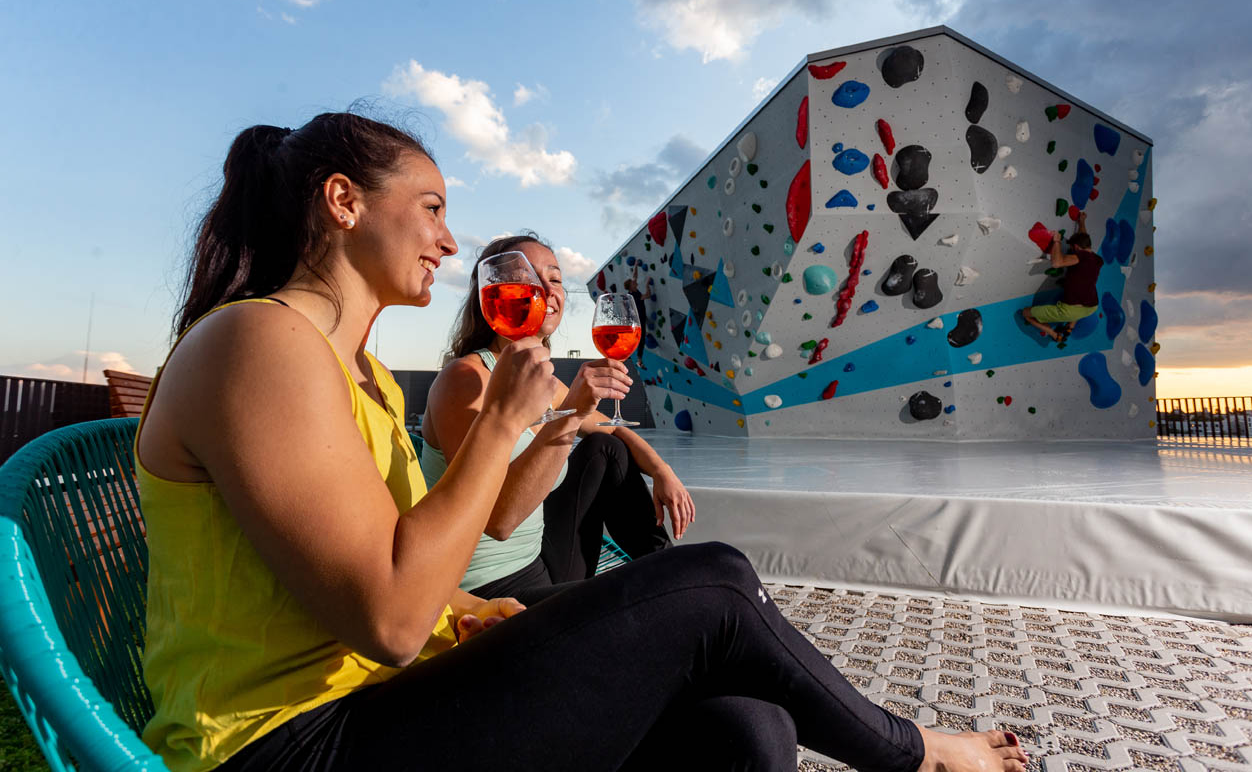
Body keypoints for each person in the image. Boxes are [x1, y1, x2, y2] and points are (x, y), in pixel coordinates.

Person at [137, 111, 1029, 772]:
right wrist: (498, 425)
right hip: (288, 747)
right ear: (342, 201)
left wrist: (475, 609)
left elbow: (397, 573)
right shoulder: (260, 342)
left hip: (379, 705)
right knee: (711, 582)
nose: (450, 240)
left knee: (751, 729)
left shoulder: (354, 373)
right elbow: (388, 620)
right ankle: (920, 755)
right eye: (433, 207)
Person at [420, 234, 691, 605]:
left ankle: (668, 576)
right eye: (529, 276)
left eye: (556, 278)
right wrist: (574, 412)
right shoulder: (464, 381)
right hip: (484, 590)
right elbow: (499, 521)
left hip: (541, 564)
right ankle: (669, 590)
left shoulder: (545, 383)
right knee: (631, 601)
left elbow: (610, 429)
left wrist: (662, 470)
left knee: (605, 449)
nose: (547, 289)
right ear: (493, 291)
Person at [1022, 211, 1102, 344]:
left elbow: (1056, 263)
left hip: (1070, 310)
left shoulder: (1079, 256)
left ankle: (1053, 334)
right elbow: (1084, 239)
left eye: (1072, 248)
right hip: (1092, 306)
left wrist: (1057, 241)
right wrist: (1081, 221)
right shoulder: (1097, 259)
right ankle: (1070, 328)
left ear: (1076, 248)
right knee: (1080, 301)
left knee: (1026, 314)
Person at [623, 262, 651, 366]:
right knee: (640, 338)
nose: (636, 283)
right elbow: (648, 295)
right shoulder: (633, 296)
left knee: (639, 338)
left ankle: (635, 357)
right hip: (638, 320)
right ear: (631, 287)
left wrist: (635, 265)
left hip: (638, 318)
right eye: (633, 283)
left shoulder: (632, 291)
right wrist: (647, 285)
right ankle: (638, 359)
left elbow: (635, 276)